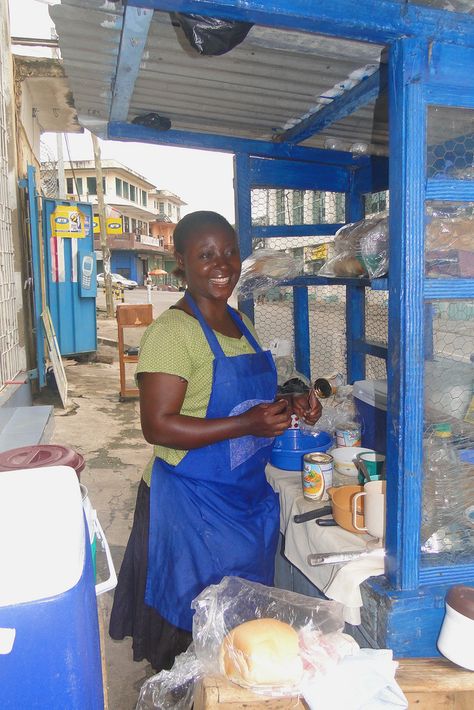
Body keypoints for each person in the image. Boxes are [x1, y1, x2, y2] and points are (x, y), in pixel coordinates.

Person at [109, 211, 322, 671]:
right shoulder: (171, 333)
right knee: (188, 638)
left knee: (237, 636)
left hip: (240, 499)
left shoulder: (239, 321)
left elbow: (244, 397)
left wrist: (290, 399)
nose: (221, 264)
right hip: (187, 505)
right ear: (180, 261)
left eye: (229, 252)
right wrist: (248, 425)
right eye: (205, 255)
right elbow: (159, 426)